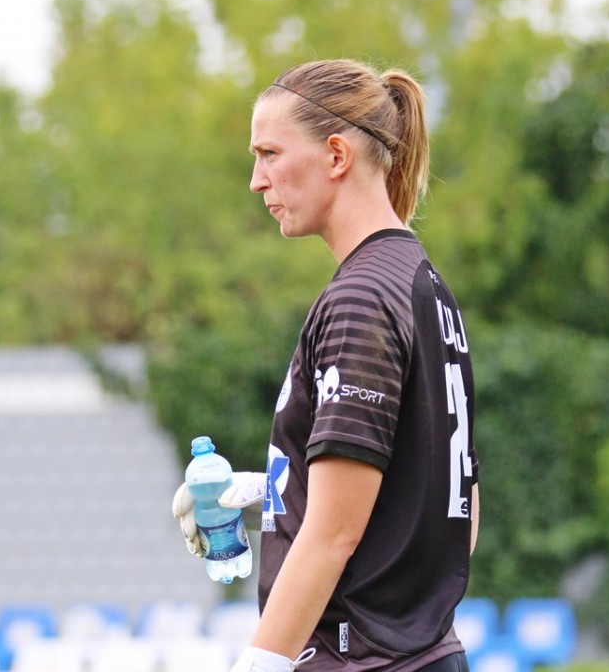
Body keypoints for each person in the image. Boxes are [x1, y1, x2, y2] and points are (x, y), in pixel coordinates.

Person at [173, 59, 480, 672]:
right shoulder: (424, 284)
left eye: (269, 154)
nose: (256, 180)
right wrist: (277, 496)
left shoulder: (362, 298)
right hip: (424, 656)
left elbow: (336, 532)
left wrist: (260, 664)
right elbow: (453, 510)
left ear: (336, 155)